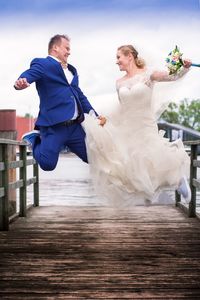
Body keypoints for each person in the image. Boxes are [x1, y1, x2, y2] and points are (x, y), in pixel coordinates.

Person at [83, 44, 192, 206]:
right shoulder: (119, 83)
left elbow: (172, 76)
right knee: (130, 171)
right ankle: (165, 187)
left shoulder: (148, 74)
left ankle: (178, 180)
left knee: (156, 159)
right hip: (128, 129)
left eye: (119, 57)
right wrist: (106, 121)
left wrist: (184, 68)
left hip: (146, 126)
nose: (117, 61)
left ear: (129, 56)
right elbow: (121, 107)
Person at [14, 34, 106, 171]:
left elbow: (79, 96)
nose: (69, 52)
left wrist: (94, 114)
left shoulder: (71, 71)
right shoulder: (43, 64)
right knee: (47, 165)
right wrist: (21, 82)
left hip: (75, 127)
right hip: (54, 126)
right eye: (66, 48)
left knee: (93, 158)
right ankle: (34, 139)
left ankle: (64, 144)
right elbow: (29, 74)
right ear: (55, 48)